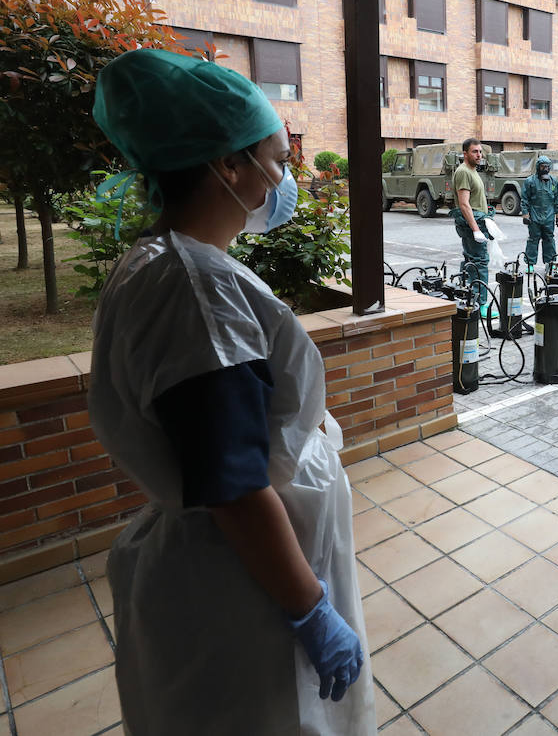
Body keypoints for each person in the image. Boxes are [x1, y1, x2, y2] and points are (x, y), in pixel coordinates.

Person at [87, 48, 372, 734]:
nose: (284, 179)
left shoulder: (172, 264)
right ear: (228, 165)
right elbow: (235, 486)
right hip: (241, 584)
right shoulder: (195, 290)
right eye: (276, 160)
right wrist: (309, 610)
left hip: (236, 568)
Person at [453, 137, 493, 314]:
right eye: (474, 151)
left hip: (478, 220)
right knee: (480, 262)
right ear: (465, 154)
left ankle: (467, 298)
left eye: (480, 151)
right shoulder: (463, 172)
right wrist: (476, 229)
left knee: (471, 261)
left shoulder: (472, 170)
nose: (479, 155)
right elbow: (464, 204)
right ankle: (480, 304)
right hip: (471, 224)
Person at [521, 155, 558, 270]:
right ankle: (530, 264)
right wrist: (525, 214)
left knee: (549, 239)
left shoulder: (553, 182)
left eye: (547, 166)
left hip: (549, 216)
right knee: (533, 240)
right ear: (538, 167)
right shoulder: (530, 181)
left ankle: (550, 263)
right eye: (542, 166)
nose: (545, 169)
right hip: (534, 215)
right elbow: (525, 199)